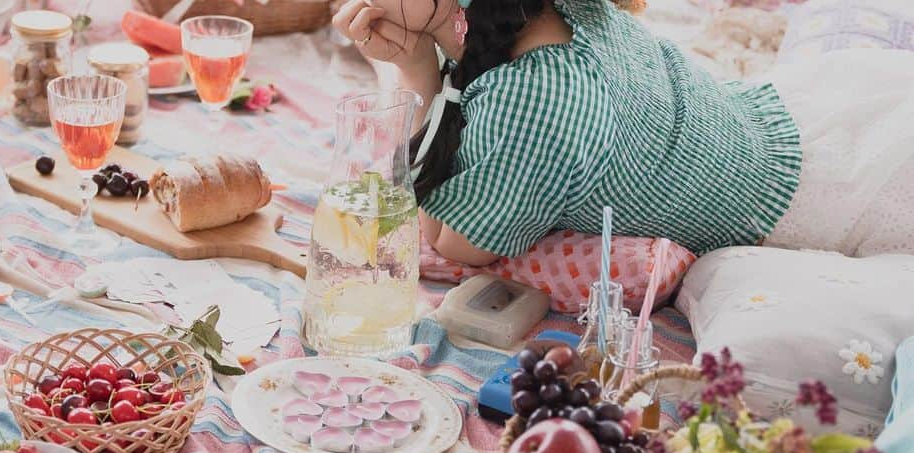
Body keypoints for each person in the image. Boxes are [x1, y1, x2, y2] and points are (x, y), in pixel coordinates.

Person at [332, 0, 914, 264]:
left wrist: (416, 73)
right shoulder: (541, 15)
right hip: (807, 110)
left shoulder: (534, 96)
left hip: (840, 190)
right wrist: (419, 63)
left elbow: (454, 241)